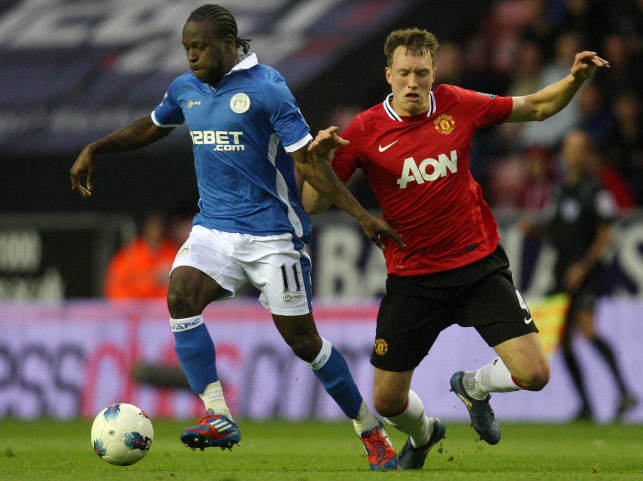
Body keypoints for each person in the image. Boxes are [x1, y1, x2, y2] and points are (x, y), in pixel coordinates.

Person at [70, 4, 404, 471]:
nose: (192, 56)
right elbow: (152, 125)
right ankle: (218, 414)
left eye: (200, 47)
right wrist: (95, 148)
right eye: (187, 48)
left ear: (228, 44)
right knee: (180, 296)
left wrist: (361, 216)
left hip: (274, 236)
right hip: (214, 228)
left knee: (305, 343)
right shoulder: (186, 88)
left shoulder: (269, 88)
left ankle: (370, 430)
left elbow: (308, 162)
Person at [302, 28, 609, 470]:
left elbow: (538, 107)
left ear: (433, 73)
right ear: (388, 75)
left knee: (535, 374)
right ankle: (425, 433)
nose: (413, 83)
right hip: (413, 279)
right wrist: (321, 160)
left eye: (421, 73)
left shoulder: (456, 103)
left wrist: (574, 79)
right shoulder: (365, 129)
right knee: (387, 402)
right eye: (404, 73)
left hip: (477, 265)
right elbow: (314, 203)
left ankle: (473, 386)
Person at [545, 129, 637, 421]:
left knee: (586, 330)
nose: (571, 154)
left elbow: (605, 233)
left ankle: (624, 392)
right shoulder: (560, 190)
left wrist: (583, 267)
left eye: (577, 149)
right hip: (563, 271)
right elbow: (554, 229)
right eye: (567, 148)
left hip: (586, 273)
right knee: (564, 341)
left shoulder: (596, 189)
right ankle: (586, 407)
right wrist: (533, 230)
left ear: (586, 154)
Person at [104, 211, 179, 299]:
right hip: (135, 305)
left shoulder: (173, 254)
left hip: (161, 305)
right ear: (145, 229)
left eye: (159, 227)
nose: (156, 231)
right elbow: (114, 286)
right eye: (152, 227)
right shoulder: (130, 254)